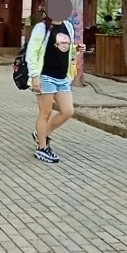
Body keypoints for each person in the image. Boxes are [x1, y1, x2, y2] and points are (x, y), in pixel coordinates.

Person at [27, 11, 85, 164]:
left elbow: (66, 49)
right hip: (45, 76)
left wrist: (77, 50)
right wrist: (34, 76)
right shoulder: (42, 27)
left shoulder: (67, 26)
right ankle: (42, 147)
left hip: (62, 77)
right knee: (45, 113)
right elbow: (31, 52)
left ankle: (41, 133)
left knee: (68, 111)